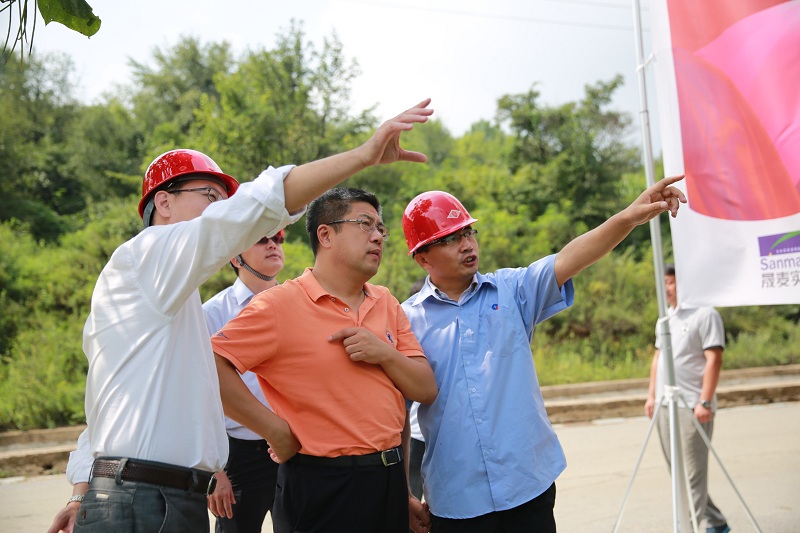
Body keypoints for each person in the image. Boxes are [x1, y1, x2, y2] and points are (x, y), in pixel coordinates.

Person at [46, 99, 434, 533]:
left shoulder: (163, 301)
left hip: (148, 495)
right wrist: (363, 155)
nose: (218, 209)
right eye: (209, 196)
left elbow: (103, 404)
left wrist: (83, 491)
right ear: (164, 202)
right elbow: (253, 208)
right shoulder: (145, 258)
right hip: (149, 498)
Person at [400, 176, 686, 533]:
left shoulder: (512, 291)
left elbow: (572, 257)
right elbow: (398, 414)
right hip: (456, 499)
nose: (466, 244)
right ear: (422, 257)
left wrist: (628, 217)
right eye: (451, 238)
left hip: (526, 487)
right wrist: (403, 494)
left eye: (468, 233)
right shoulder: (405, 321)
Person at [211, 187, 438, 533]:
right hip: (321, 486)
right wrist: (274, 430)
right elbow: (210, 366)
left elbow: (424, 389)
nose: (378, 236)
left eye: (381, 228)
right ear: (325, 234)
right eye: (365, 224)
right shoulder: (279, 305)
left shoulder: (386, 301)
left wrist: (384, 354)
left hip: (389, 480)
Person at [204, 229, 287, 532]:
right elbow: (201, 395)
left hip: (295, 447)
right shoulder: (213, 313)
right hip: (238, 453)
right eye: (261, 239)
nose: (272, 245)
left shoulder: (299, 302)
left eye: (277, 239)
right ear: (235, 257)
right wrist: (216, 471)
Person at [644, 264, 730, 533]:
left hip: (692, 407)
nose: (666, 288)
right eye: (664, 282)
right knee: (678, 476)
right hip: (665, 405)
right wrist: (651, 396)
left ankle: (688, 528)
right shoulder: (666, 319)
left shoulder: (706, 314)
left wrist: (705, 401)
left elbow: (713, 358)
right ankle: (716, 522)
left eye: (671, 282)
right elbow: (658, 358)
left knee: (693, 476)